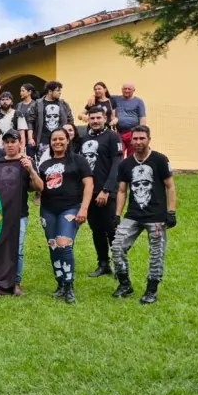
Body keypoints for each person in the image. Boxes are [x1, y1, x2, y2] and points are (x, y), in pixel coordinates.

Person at [111, 126, 177, 304]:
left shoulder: (160, 160)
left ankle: (151, 290)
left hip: (156, 217)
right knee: (117, 246)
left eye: (142, 138)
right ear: (131, 140)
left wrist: (171, 211)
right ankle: (125, 284)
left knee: (156, 254)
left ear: (149, 139)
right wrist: (117, 214)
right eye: (135, 139)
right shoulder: (125, 164)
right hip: (133, 215)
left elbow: (170, 186)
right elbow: (122, 191)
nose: (138, 142)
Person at [38, 128, 94, 303]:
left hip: (70, 208)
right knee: (53, 246)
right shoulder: (45, 164)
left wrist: (84, 208)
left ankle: (69, 285)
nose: (57, 142)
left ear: (68, 140)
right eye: (54, 139)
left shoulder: (78, 160)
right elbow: (39, 187)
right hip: (48, 209)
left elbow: (89, 184)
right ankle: (60, 284)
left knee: (64, 244)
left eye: (61, 139)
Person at [80, 106, 123, 277]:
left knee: (112, 229)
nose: (95, 121)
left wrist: (106, 190)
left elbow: (117, 164)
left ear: (105, 118)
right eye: (92, 118)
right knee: (96, 229)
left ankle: (120, 266)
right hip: (89, 192)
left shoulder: (113, 136)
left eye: (98, 118)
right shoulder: (85, 138)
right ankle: (103, 263)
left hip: (106, 192)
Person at [2, 131, 43, 296]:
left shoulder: (27, 162)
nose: (10, 145)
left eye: (13, 141)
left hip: (19, 213)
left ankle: (16, 283)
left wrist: (31, 170)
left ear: (20, 143)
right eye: (7, 142)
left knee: (17, 250)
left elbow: (40, 187)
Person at [29, 81, 74, 163]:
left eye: (60, 90)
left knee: (61, 164)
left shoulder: (63, 104)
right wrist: (30, 138)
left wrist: (69, 136)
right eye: (58, 90)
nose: (60, 92)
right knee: (43, 165)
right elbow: (30, 122)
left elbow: (70, 121)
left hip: (60, 141)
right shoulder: (37, 104)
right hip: (43, 142)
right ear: (50, 91)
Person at [113, 83, 147, 157]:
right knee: (118, 154)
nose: (126, 91)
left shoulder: (139, 101)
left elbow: (142, 117)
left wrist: (142, 133)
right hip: (118, 133)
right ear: (121, 89)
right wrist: (93, 97)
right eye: (124, 89)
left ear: (134, 90)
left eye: (129, 89)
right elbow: (102, 95)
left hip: (132, 133)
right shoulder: (115, 99)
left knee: (132, 156)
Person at [17, 83, 39, 156]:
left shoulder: (36, 104)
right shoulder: (19, 105)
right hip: (20, 136)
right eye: (20, 91)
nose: (21, 93)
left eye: (23, 91)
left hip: (32, 137)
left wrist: (31, 138)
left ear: (29, 92)